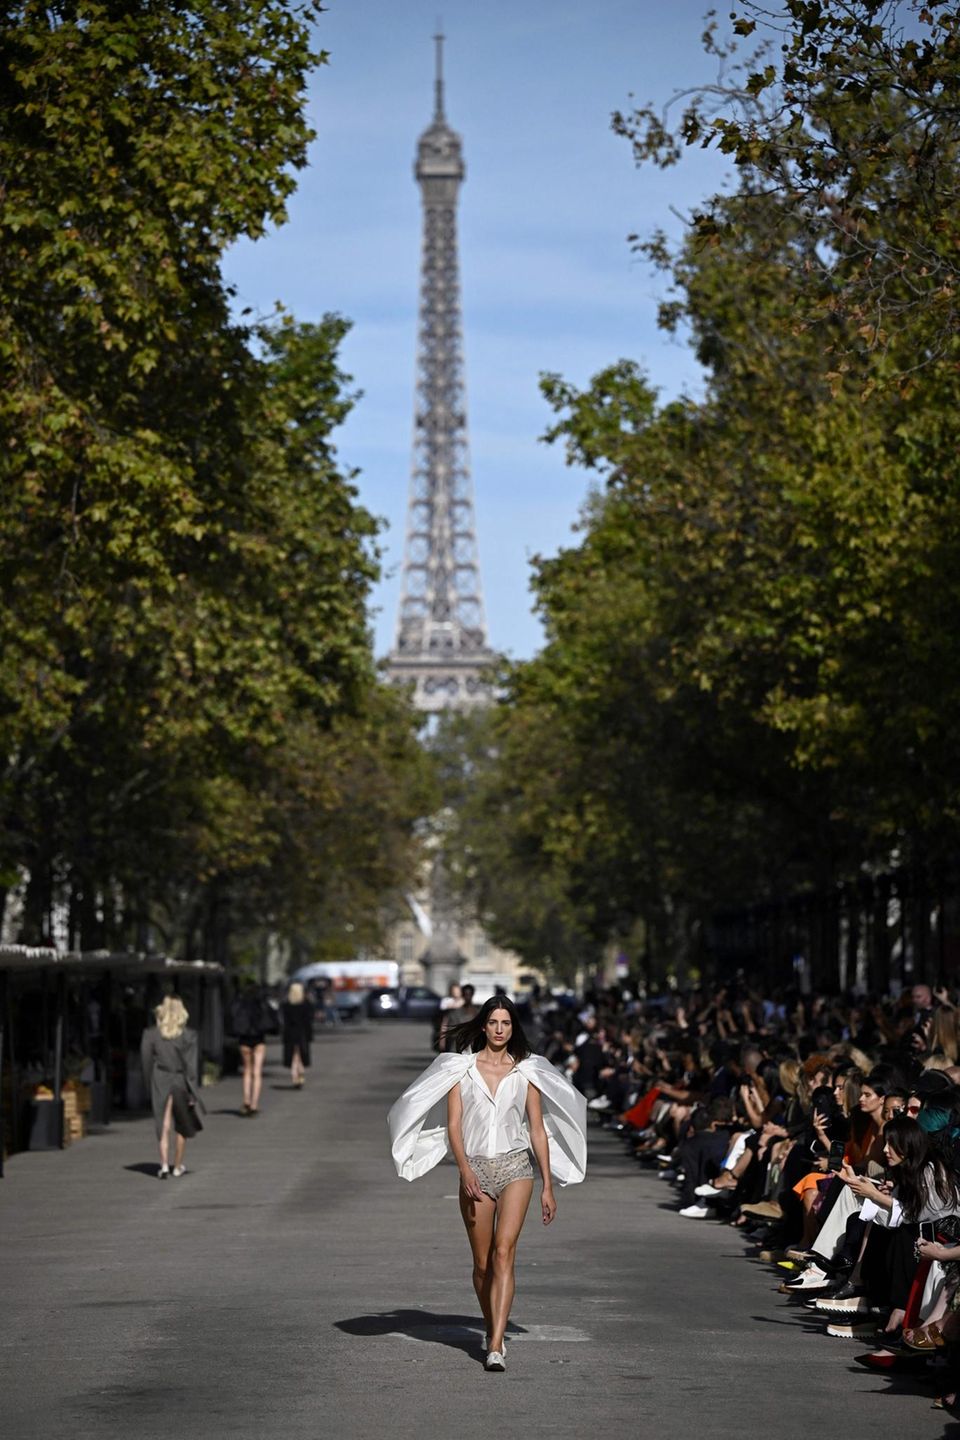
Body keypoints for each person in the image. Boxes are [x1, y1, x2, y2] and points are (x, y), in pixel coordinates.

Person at [388, 995, 587, 1372]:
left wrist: (547, 1184)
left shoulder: (527, 1072)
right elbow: (453, 1126)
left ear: (514, 1028)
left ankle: (495, 1343)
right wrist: (463, 1169)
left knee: (503, 1253)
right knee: (482, 1265)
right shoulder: (459, 1070)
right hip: (475, 1167)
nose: (499, 1030)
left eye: (506, 1024)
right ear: (483, 1026)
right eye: (493, 1023)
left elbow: (538, 1130)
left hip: (516, 1167)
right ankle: (490, 1322)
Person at [140, 995, 205, 1179]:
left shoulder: (151, 1033)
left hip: (160, 1076)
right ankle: (177, 1166)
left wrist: (147, 1083)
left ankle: (163, 1166)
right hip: (180, 1079)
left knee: (163, 1122)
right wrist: (193, 1092)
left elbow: (145, 1060)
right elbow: (191, 1067)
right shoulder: (189, 1035)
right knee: (182, 1123)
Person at [228, 980, 274, 1116]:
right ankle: (254, 1103)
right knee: (257, 1072)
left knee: (247, 1070)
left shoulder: (240, 1003)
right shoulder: (261, 1003)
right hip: (259, 1039)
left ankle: (246, 1099)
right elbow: (271, 1018)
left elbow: (231, 1015)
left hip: (244, 1039)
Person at [282, 981, 313, 1088]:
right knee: (300, 1055)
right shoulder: (306, 1005)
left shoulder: (286, 1005)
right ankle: (300, 1074)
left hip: (290, 1033)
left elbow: (285, 1022)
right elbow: (308, 1021)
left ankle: (295, 1075)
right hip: (302, 1033)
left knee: (294, 1056)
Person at [439, 983, 479, 1050]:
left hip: (474, 1048)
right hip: (458, 1047)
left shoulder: (478, 1012)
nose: (467, 997)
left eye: (469, 994)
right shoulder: (455, 1013)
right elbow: (451, 1030)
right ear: (462, 995)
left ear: (473, 994)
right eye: (466, 995)